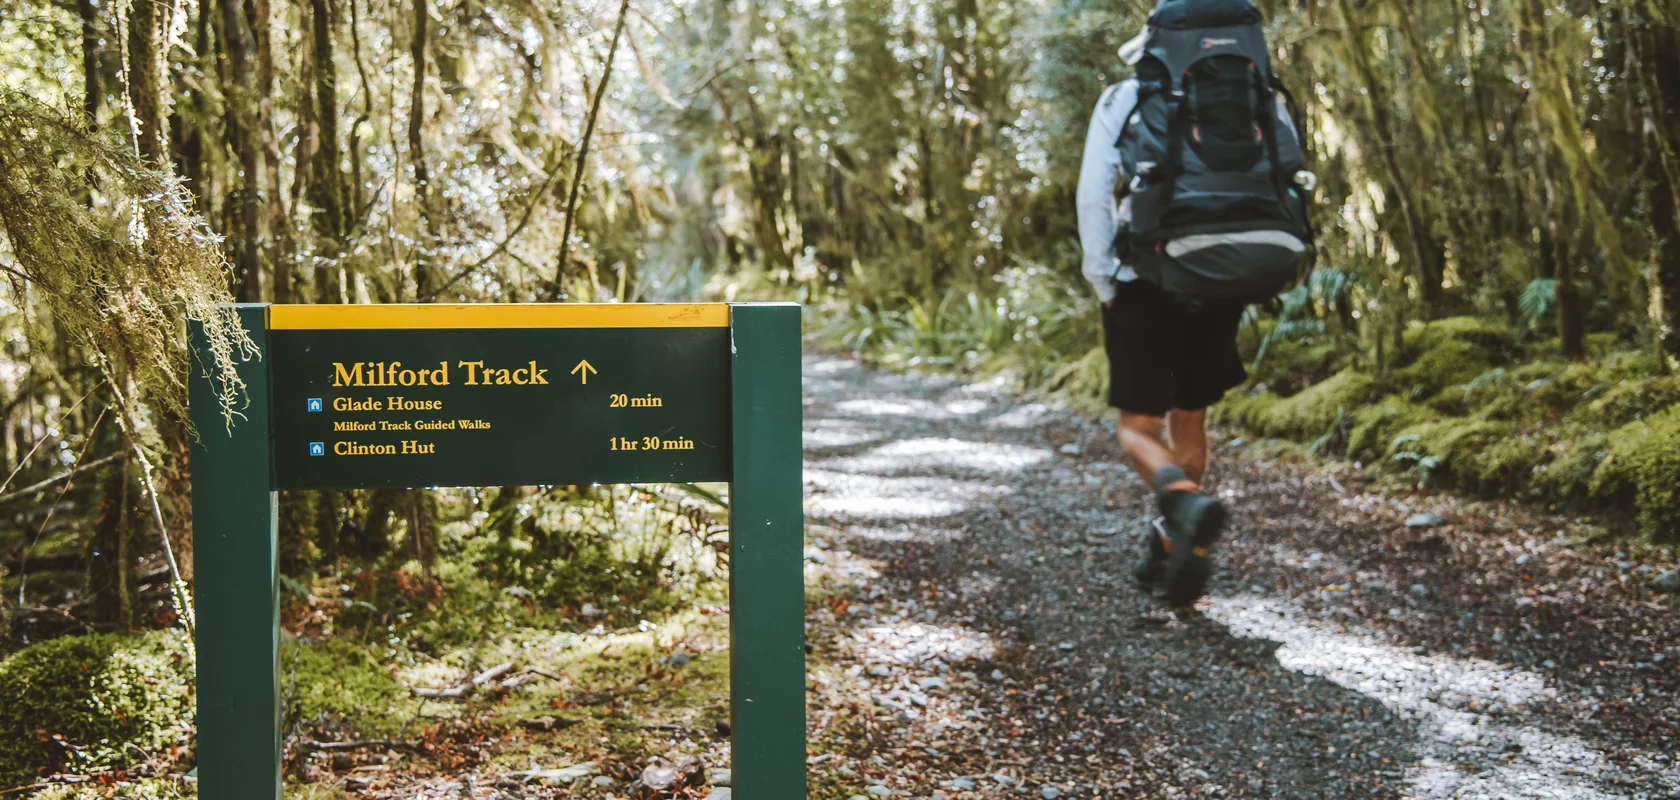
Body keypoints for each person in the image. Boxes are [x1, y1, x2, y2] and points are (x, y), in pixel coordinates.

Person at [1076, 6, 1306, 607]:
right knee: (1190, 416)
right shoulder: (1265, 98)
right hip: (1221, 275)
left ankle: (1180, 501)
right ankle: (1175, 546)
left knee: (1136, 425)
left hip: (1145, 275)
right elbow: (1288, 173)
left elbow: (1094, 195)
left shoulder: (1127, 97)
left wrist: (1103, 277)